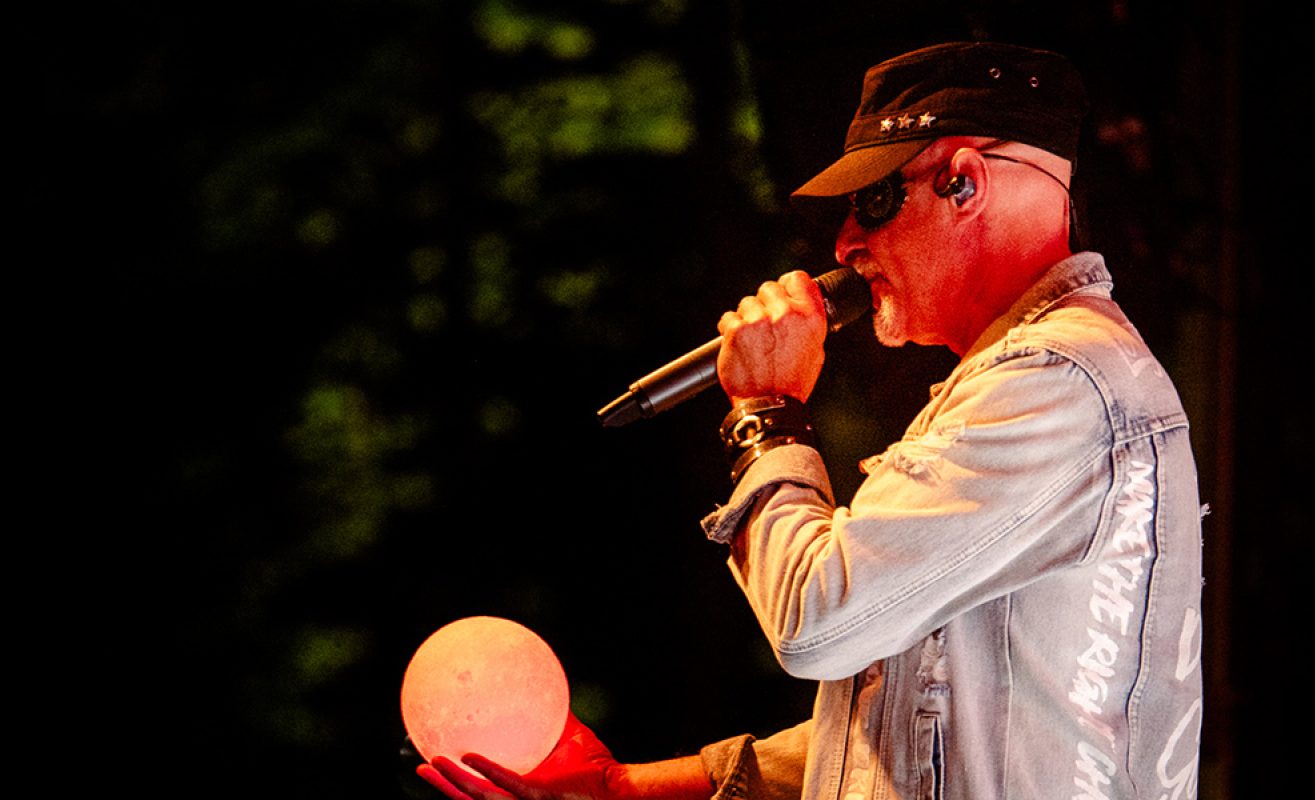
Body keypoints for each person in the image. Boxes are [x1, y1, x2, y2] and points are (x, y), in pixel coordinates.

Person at [417, 40, 1205, 800]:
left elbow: (818, 623)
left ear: (963, 182)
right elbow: (907, 729)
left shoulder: (1054, 381)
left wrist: (767, 412)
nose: (844, 243)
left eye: (872, 201)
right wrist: (623, 787)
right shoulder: (1043, 382)